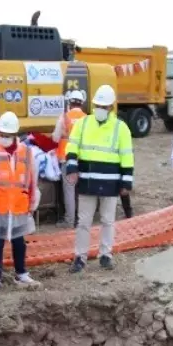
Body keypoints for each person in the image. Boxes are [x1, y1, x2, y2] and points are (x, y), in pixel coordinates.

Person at [63, 84, 135, 272]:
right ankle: (80, 257)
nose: (100, 110)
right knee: (83, 221)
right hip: (87, 182)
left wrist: (126, 182)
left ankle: (105, 255)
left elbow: (127, 156)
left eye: (104, 106)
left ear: (111, 107)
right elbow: (72, 146)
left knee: (108, 221)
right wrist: (72, 167)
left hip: (110, 183)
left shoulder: (121, 128)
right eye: (98, 106)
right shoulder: (82, 123)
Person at [0, 111, 40, 293]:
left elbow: (32, 179)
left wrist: (32, 202)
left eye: (6, 135)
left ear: (14, 135)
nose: (3, 138)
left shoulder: (26, 152)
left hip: (19, 205)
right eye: (1, 134)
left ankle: (21, 272)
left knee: (19, 242)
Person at [51, 89, 86, 226]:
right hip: (83, 158)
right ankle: (83, 218)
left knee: (69, 190)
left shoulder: (64, 117)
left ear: (70, 103)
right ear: (82, 103)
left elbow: (55, 138)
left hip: (67, 158)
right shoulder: (86, 118)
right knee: (81, 191)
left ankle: (69, 220)